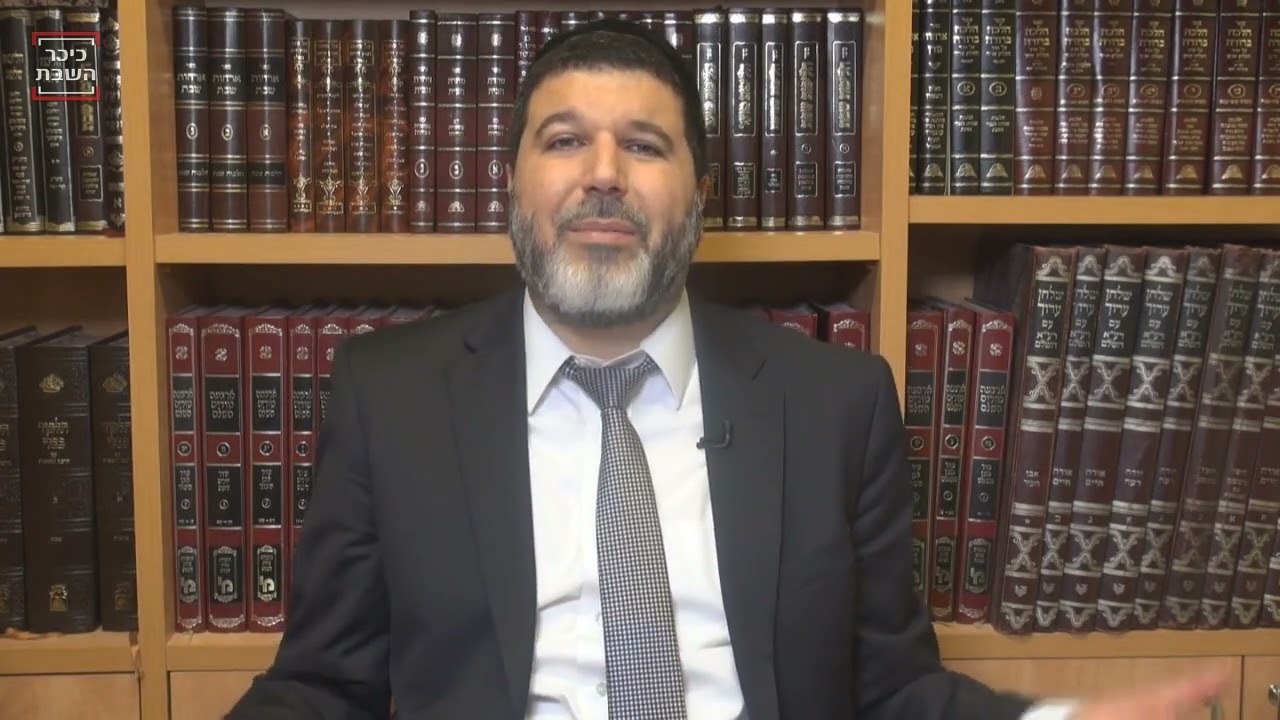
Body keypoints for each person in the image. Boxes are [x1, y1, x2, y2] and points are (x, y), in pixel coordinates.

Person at [226, 19, 1228, 720]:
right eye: (565, 141)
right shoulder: (390, 398)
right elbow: (324, 689)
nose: (603, 174)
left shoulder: (835, 405)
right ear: (512, 184)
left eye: (644, 146)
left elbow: (891, 691)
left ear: (698, 196)